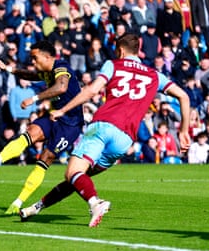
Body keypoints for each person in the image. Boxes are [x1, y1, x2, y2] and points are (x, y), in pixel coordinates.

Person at [20, 33, 191, 227]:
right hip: (125, 139)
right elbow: (184, 96)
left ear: (120, 50)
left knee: (73, 172)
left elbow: (92, 91)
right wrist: (183, 131)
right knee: (78, 179)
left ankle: (95, 203)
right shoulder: (154, 75)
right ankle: (36, 207)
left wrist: (63, 109)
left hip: (103, 127)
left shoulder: (113, 65)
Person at [0, 40, 84, 214]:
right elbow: (30, 75)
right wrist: (9, 69)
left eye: (35, 58)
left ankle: (18, 202)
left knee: (46, 157)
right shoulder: (46, 72)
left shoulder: (61, 67)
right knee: (30, 132)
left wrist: (34, 99)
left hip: (70, 124)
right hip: (53, 117)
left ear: (47, 56)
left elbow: (61, 87)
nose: (33, 62)